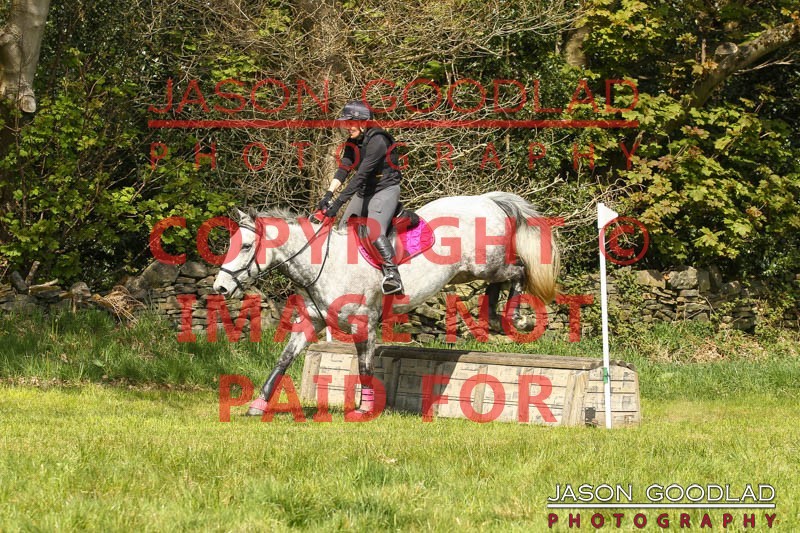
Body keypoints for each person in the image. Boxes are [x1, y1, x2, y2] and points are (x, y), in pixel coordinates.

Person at [318, 100, 404, 295]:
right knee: (342, 230)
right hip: (365, 191)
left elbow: (360, 176)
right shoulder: (353, 141)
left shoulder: (378, 141)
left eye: (350, 123)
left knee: (374, 230)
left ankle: (392, 275)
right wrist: (329, 194)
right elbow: (344, 168)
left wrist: (338, 203)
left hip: (385, 189)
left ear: (363, 122)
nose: (347, 127)